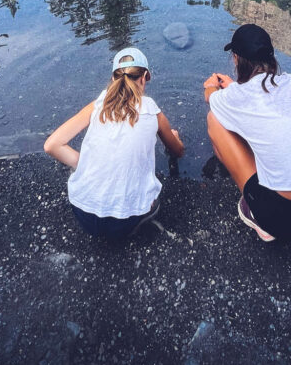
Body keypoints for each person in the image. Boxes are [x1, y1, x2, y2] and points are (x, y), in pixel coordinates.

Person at [204, 23, 291, 243]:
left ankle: (254, 214)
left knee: (214, 119)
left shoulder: (236, 97)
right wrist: (234, 87)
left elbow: (211, 98)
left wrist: (212, 86)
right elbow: (260, 100)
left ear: (236, 58)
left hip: (280, 215)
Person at [44, 47, 185, 241]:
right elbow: (177, 151)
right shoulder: (152, 110)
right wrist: (174, 137)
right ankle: (142, 223)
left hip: (82, 212)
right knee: (152, 200)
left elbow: (51, 145)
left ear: (113, 78)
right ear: (144, 78)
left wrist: (87, 164)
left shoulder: (98, 104)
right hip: (123, 222)